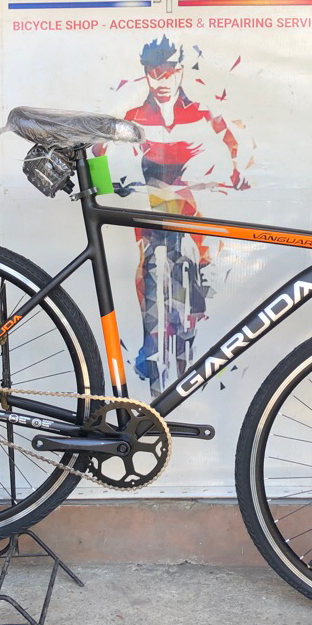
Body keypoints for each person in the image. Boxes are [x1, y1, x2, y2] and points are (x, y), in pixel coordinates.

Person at [105, 35, 248, 392]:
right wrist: (110, 176)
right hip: (150, 202)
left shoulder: (201, 112)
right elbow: (102, 150)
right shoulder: (133, 117)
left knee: (207, 261)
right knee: (145, 265)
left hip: (191, 202)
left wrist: (237, 172)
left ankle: (196, 331)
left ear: (180, 71)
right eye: (154, 72)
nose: (162, 80)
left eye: (169, 71)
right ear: (146, 73)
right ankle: (150, 344)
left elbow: (235, 143)